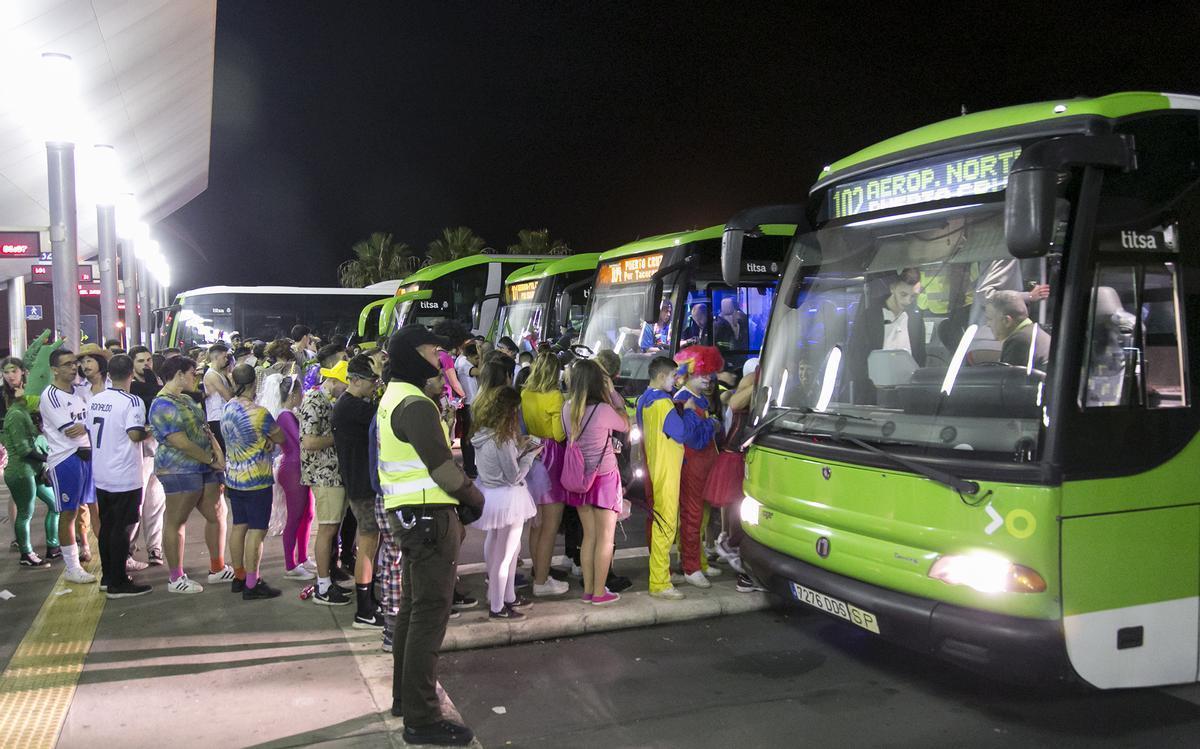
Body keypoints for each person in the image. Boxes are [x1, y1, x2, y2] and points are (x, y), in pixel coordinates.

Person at [380, 324, 483, 746]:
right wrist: (474, 497)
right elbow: (442, 469)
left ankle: (407, 700)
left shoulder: (393, 398)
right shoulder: (415, 404)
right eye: (430, 349)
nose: (437, 357)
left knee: (413, 610)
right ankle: (421, 719)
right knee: (429, 614)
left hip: (410, 517)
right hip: (428, 517)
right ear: (411, 353)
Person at [148, 356, 234, 594]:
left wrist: (217, 456)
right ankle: (175, 578)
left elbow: (204, 430)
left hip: (203, 467)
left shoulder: (184, 399)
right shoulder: (162, 405)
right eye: (192, 373)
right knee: (176, 521)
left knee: (217, 513)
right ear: (178, 375)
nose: (195, 377)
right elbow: (180, 441)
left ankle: (217, 568)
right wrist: (210, 459)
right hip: (178, 469)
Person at [562, 358, 629, 605]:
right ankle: (600, 592)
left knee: (588, 536)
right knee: (606, 538)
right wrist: (611, 392)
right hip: (604, 478)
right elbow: (625, 424)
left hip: (580, 479)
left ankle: (589, 590)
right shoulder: (603, 410)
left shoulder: (566, 408)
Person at [87, 354, 153, 598]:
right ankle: (118, 582)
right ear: (130, 375)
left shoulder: (96, 399)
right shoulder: (132, 401)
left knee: (107, 526)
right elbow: (135, 434)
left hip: (102, 471)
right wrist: (152, 430)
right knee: (123, 528)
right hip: (124, 473)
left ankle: (107, 576)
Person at [472, 385, 539, 618]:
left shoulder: (483, 433)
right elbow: (513, 476)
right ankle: (498, 606)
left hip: (490, 494)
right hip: (509, 497)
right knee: (508, 553)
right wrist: (530, 456)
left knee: (497, 547)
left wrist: (519, 448)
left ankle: (502, 596)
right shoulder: (503, 438)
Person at [221, 364, 285, 600]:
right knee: (257, 532)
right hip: (257, 480)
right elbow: (280, 436)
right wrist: (269, 441)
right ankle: (252, 582)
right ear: (254, 384)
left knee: (239, 526)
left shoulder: (227, 407)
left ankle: (238, 576)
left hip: (234, 478)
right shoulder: (259, 413)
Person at [332, 355, 386, 627]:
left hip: (361, 482)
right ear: (353, 380)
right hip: (362, 485)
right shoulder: (352, 407)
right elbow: (383, 411)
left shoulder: (352, 404)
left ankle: (370, 601)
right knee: (367, 544)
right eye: (371, 380)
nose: (375, 385)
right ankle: (364, 610)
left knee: (370, 543)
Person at [40, 348, 97, 585]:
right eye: (67, 365)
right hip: (65, 459)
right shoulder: (51, 396)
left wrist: (85, 425)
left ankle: (114, 557)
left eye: (74, 363)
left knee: (94, 508)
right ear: (54, 369)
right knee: (69, 512)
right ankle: (72, 567)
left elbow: (85, 423)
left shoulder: (81, 391)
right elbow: (70, 429)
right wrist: (88, 424)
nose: (74, 368)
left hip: (88, 456)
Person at [672, 346, 725, 589]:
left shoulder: (698, 399)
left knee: (701, 518)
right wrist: (712, 425)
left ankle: (698, 561)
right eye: (701, 373)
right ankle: (691, 567)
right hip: (692, 465)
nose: (708, 378)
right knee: (692, 517)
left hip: (704, 466)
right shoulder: (684, 400)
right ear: (688, 373)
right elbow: (693, 438)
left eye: (709, 373)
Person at [636, 356, 687, 600]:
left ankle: (661, 572)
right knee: (666, 524)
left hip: (651, 467)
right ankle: (659, 582)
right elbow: (681, 433)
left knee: (659, 521)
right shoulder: (665, 405)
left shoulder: (642, 400)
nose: (676, 380)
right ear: (661, 376)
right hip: (667, 469)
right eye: (673, 376)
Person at [301, 358, 352, 605]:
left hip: (331, 473)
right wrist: (338, 437)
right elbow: (309, 442)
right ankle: (322, 586)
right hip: (325, 475)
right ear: (333, 381)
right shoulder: (314, 401)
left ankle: (326, 580)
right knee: (328, 529)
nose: (346, 389)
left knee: (331, 529)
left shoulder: (324, 400)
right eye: (345, 384)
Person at [520, 353, 571, 597]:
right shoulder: (555, 396)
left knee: (536, 524)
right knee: (550, 526)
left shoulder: (525, 393)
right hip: (552, 458)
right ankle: (541, 581)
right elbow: (559, 434)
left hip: (532, 455)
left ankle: (537, 571)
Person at [3, 359, 58, 568]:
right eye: (6, 372)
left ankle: (53, 547)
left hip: (35, 467)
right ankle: (26, 553)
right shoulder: (15, 413)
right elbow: (24, 449)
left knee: (55, 505)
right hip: (21, 469)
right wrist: (50, 458)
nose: (10, 376)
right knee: (26, 512)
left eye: (13, 371)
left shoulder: (28, 407)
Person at [845, 268, 926, 403]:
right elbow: (855, 357)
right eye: (903, 294)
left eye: (913, 296)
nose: (908, 301)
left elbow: (921, 357)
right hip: (873, 395)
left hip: (907, 395)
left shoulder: (916, 319)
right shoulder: (870, 316)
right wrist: (869, 380)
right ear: (892, 288)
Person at [128, 345, 165, 566]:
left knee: (157, 502)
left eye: (149, 360)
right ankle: (129, 548)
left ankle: (155, 548)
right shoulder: (131, 387)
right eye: (141, 361)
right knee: (137, 503)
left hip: (158, 450)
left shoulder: (156, 382)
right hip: (138, 452)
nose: (146, 364)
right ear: (132, 364)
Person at [986, 290, 1052, 371]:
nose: (988, 324)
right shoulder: (1034, 333)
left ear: (1007, 321)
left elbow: (1008, 381)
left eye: (990, 319)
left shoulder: (1019, 341)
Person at [454, 342, 481, 479]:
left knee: (468, 435)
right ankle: (470, 467)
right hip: (469, 404)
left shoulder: (462, 361)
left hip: (470, 403)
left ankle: (469, 465)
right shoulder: (465, 364)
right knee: (469, 436)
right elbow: (480, 372)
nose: (478, 361)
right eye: (476, 358)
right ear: (470, 356)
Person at [203, 343, 233, 454]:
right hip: (217, 418)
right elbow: (228, 396)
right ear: (216, 357)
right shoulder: (212, 375)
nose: (226, 360)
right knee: (224, 451)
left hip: (223, 416)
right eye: (224, 357)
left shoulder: (219, 373)